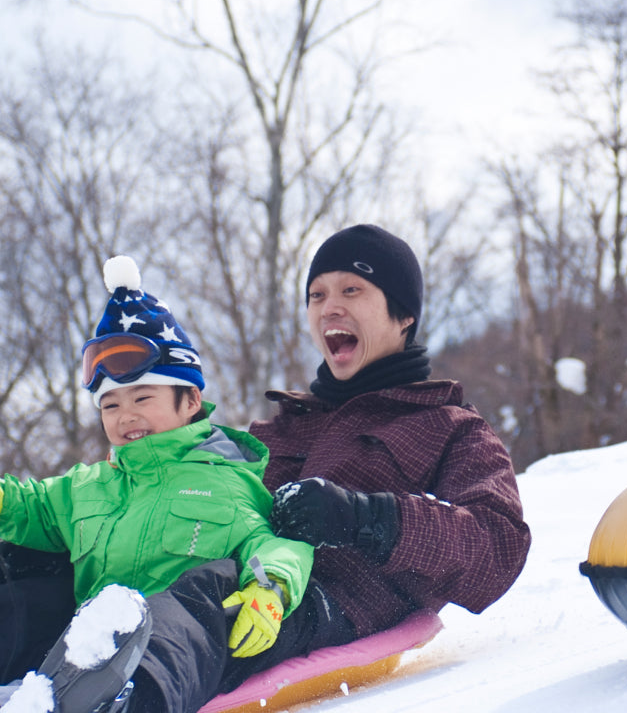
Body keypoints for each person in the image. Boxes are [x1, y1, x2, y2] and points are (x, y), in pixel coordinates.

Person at [123, 224, 531, 711]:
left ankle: (124, 698)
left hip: (323, 602)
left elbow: (499, 548)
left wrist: (366, 518)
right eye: (316, 295)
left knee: (207, 595)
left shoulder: (447, 427)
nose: (328, 307)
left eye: (351, 290)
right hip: (208, 573)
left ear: (403, 314)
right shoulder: (276, 430)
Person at [0, 256, 313, 712]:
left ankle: (128, 702)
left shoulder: (223, 480)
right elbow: (29, 508)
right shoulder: (89, 486)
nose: (126, 416)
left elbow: (270, 543)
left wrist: (270, 589)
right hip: (83, 655)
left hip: (174, 650)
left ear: (191, 399)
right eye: (110, 406)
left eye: (142, 397)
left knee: (187, 600)